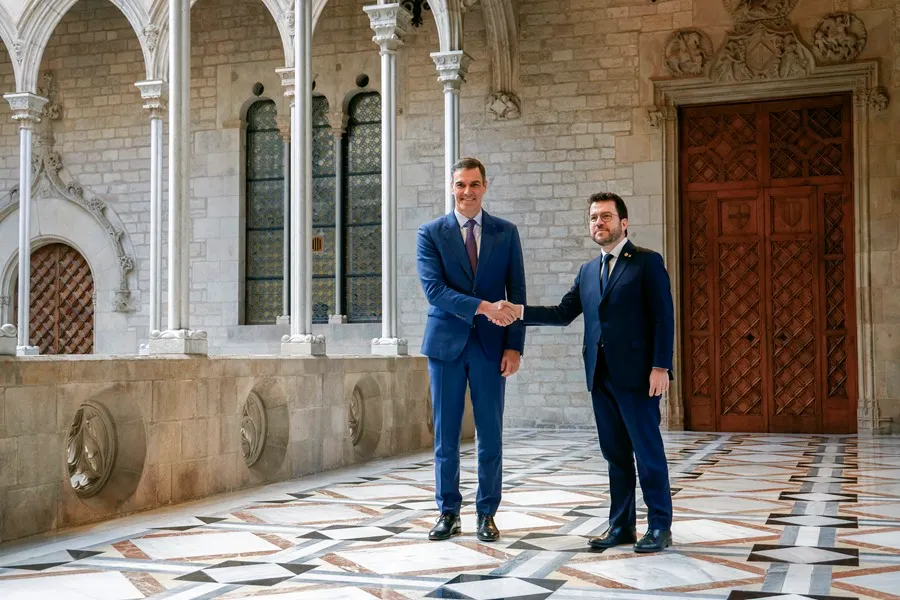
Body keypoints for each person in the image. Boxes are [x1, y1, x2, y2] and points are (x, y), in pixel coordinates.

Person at [501, 192, 674, 553]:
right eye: (594, 217)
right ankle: (621, 527)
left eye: (607, 217)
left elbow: (663, 318)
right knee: (615, 454)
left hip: (640, 376)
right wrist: (518, 311)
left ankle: (659, 527)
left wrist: (661, 366)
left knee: (648, 453)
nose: (599, 223)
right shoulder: (587, 272)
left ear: (623, 223)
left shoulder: (646, 263)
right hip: (600, 377)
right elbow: (563, 313)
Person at [416, 157, 525, 542]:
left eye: (474, 184)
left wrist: (515, 347)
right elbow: (434, 291)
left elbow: (518, 295)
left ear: (485, 186)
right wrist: (483, 307)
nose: (467, 192)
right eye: (460, 185)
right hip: (446, 346)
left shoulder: (506, 232)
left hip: (492, 347)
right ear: (451, 187)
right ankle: (448, 512)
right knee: (446, 434)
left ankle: (486, 514)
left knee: (490, 434)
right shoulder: (431, 233)